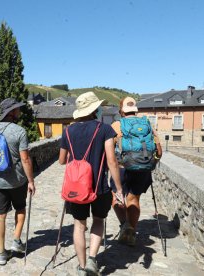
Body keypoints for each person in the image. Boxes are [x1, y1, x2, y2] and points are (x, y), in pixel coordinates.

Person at [58, 92, 124, 276]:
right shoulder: (105, 130)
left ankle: (81, 266)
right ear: (95, 109)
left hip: (76, 188)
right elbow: (112, 161)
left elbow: (62, 161)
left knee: (79, 225)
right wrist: (118, 189)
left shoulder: (68, 131)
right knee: (98, 220)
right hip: (99, 187)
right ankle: (93, 260)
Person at [0, 98, 36, 265]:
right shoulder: (20, 132)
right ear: (11, 112)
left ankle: (1, 253)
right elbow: (25, 159)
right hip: (17, 181)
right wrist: (31, 181)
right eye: (17, 109)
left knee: (0, 215)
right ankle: (16, 241)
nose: (19, 111)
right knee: (20, 209)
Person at [110, 97, 162, 246]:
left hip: (121, 169)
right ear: (136, 110)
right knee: (134, 200)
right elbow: (159, 150)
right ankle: (131, 231)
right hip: (142, 168)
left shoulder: (116, 125)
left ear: (121, 111)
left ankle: (124, 226)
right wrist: (151, 163)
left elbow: (107, 151)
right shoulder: (147, 124)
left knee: (116, 198)